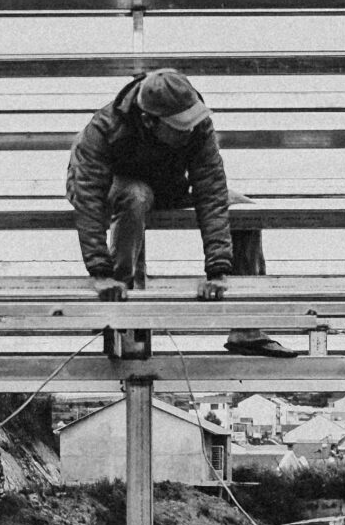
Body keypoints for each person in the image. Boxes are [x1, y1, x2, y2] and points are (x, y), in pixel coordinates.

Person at [65, 68, 291, 358]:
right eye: (178, 126)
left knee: (242, 208)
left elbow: (210, 187)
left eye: (191, 122)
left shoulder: (197, 125)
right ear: (149, 120)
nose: (189, 130)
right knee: (136, 196)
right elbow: (88, 196)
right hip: (112, 186)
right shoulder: (104, 128)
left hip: (165, 183)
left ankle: (247, 329)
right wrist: (100, 273)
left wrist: (219, 270)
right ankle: (118, 305)